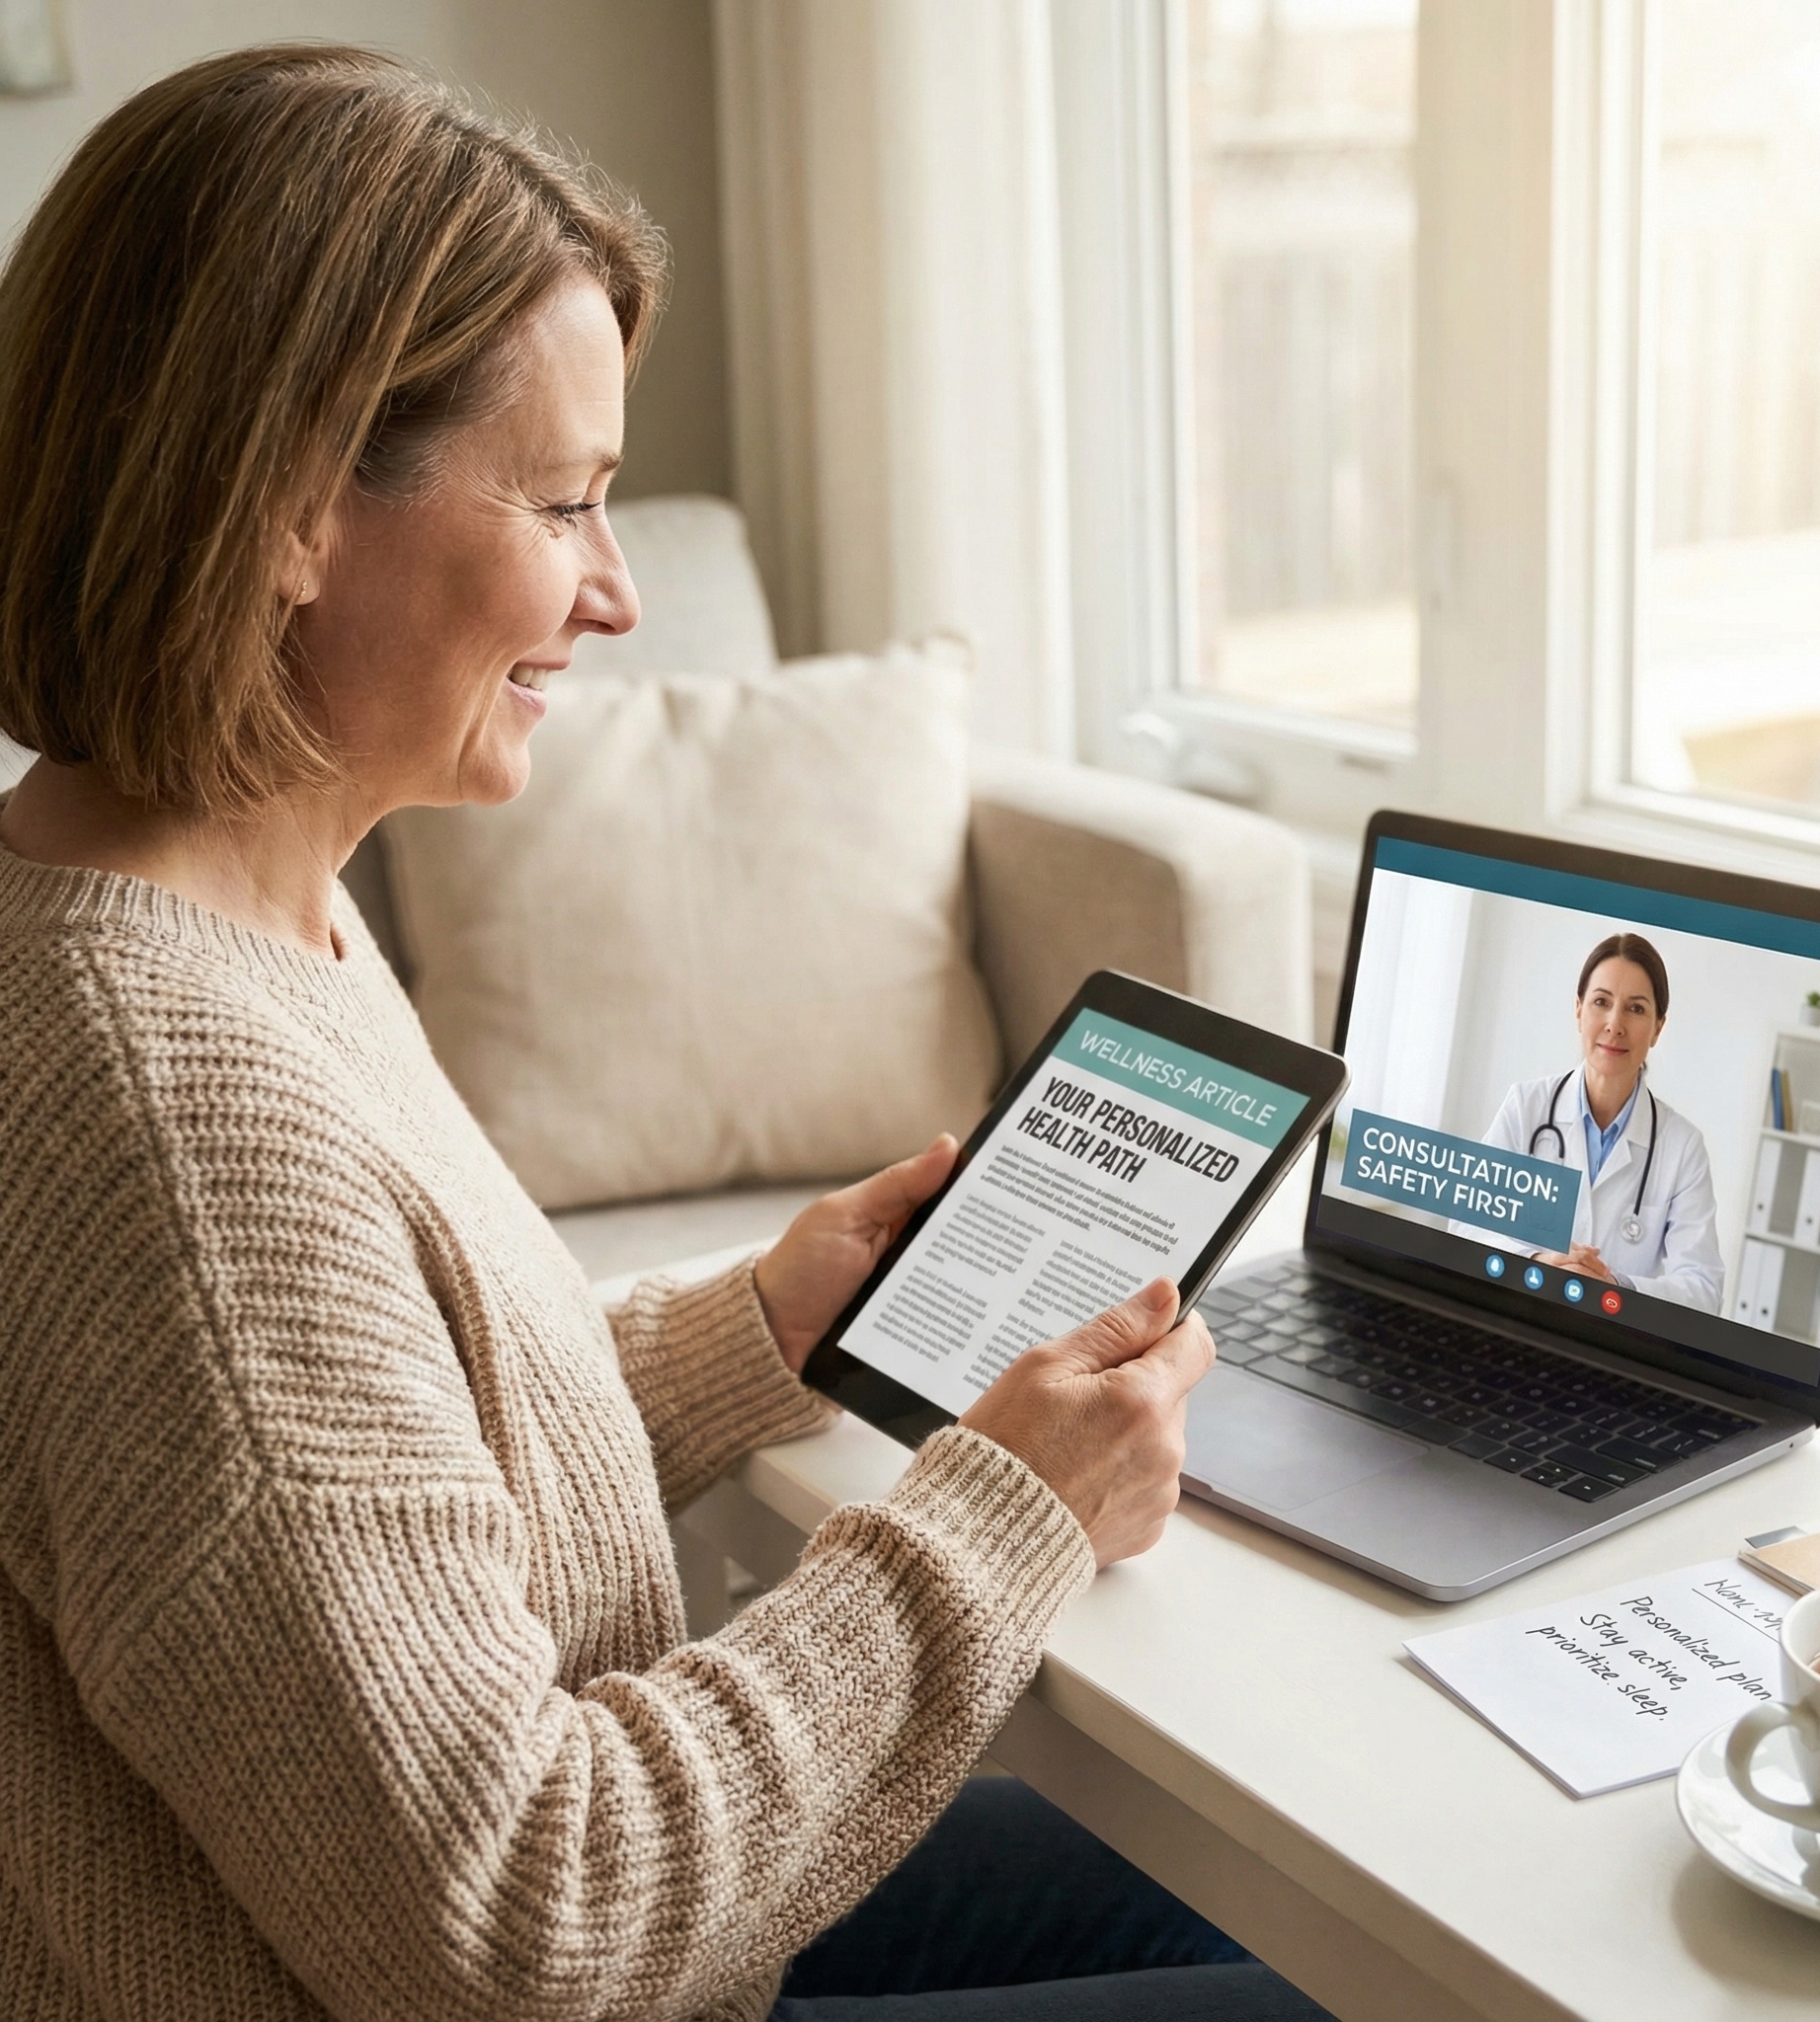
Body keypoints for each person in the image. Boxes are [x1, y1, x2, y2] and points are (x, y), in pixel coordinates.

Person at [0, 48, 1328, 2022]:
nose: (619, 594)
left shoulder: (236, 904)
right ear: (284, 504)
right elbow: (522, 1923)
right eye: (562, 503)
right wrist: (1010, 1513)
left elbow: (373, 1496)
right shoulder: (176, 1113)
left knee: (1251, 1897)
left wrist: (760, 1328)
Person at [1476, 933, 1723, 1310]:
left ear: (1658, 1027)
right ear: (1578, 1010)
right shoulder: (1526, 1107)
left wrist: (1612, 1285)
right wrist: (1538, 1263)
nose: (1614, 1024)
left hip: (1611, 1342)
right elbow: (1470, 1228)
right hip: (1516, 1316)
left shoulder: (1683, 1146)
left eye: (1636, 1009)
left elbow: (1704, 1290)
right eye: (1601, 1002)